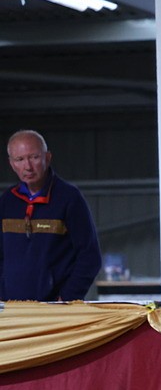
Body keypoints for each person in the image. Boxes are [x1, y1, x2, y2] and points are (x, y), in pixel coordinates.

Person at [0, 129, 101, 302]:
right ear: (11, 163)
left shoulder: (69, 198)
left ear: (47, 157)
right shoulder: (6, 201)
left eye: (34, 157)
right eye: (20, 159)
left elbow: (90, 256)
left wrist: (66, 298)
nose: (28, 166)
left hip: (53, 309)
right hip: (10, 310)